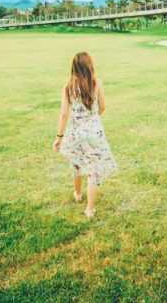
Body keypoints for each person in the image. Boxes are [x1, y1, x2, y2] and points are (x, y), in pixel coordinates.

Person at [53, 52, 117, 218]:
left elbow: (63, 114)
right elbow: (103, 107)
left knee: (76, 162)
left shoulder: (68, 87)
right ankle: (89, 209)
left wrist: (59, 137)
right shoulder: (96, 83)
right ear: (90, 66)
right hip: (94, 133)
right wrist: (93, 118)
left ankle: (77, 193)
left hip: (75, 132)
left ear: (74, 67)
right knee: (93, 171)